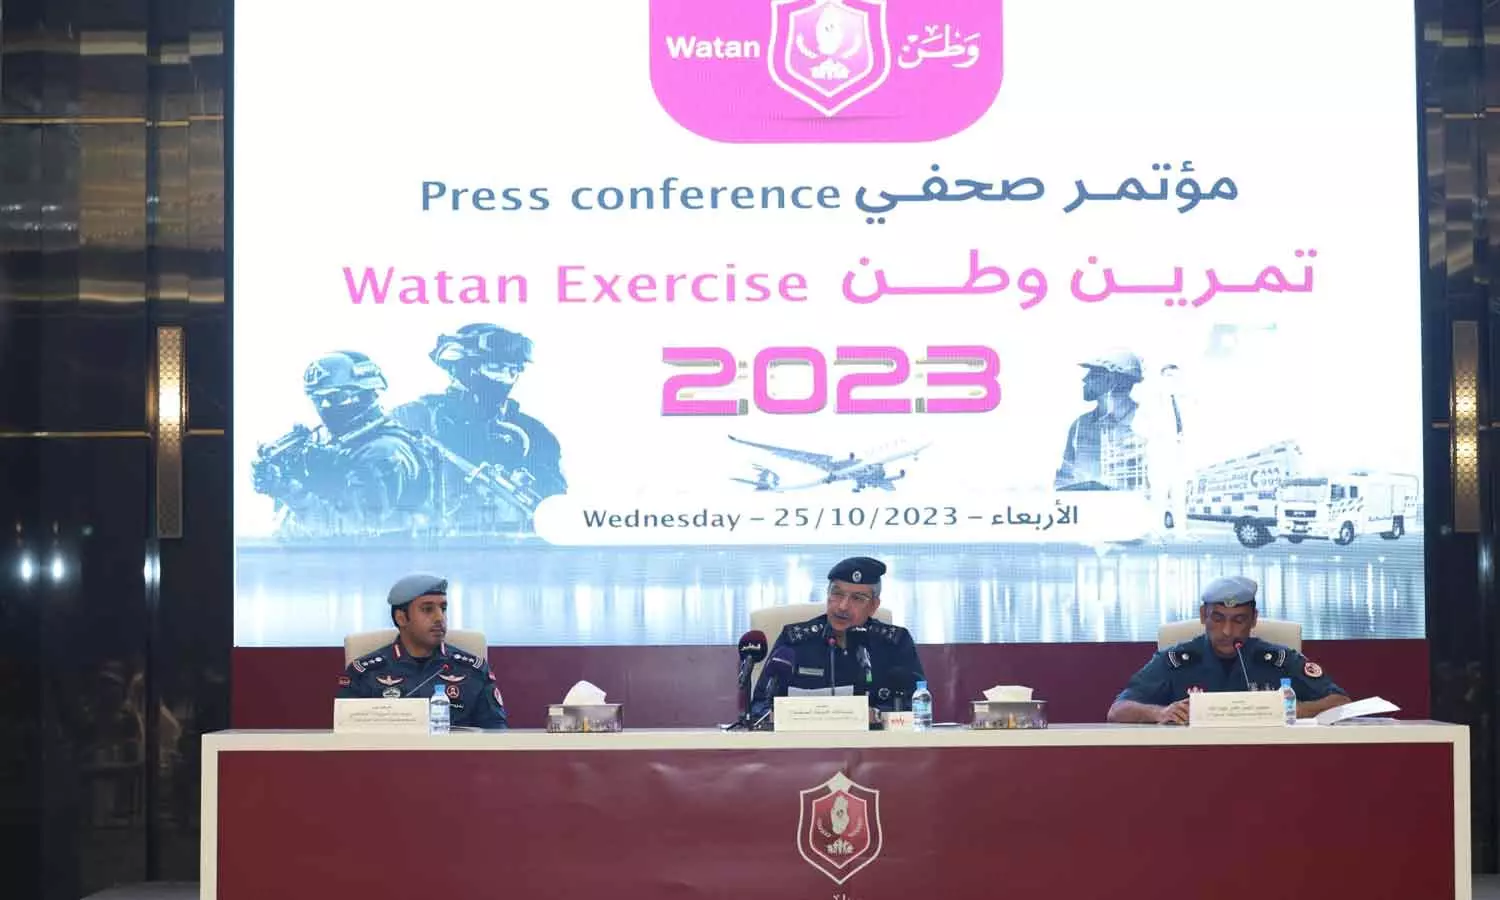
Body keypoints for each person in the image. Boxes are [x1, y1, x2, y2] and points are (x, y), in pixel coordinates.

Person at [1106, 575, 1350, 724]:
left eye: (1238, 620)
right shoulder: (1176, 661)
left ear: (1254, 619)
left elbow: (1341, 701)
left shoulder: (1279, 660)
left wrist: (1298, 710)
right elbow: (1117, 711)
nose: (1227, 631)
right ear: (1203, 616)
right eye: (1218, 618)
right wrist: (1160, 713)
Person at [251, 350, 435, 537]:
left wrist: (290, 490)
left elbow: (353, 532)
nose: (324, 407)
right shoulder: (333, 443)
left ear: (365, 394)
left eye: (335, 398)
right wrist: (286, 478)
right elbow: (289, 529)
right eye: (317, 399)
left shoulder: (385, 452)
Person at [750, 556, 925, 719]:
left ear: (874, 606)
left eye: (857, 598)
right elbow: (759, 706)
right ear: (827, 594)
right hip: (803, 741)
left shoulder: (894, 644)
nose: (842, 606)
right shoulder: (795, 642)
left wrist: (878, 715)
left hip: (872, 741)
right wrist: (776, 716)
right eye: (837, 593)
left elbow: (917, 705)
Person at [337, 573, 509, 729]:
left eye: (443, 608)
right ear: (401, 618)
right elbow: (346, 737)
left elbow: (496, 735)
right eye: (428, 609)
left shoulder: (473, 670)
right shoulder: (364, 674)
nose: (440, 618)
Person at [1055, 349, 1148, 492]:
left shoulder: (1145, 423)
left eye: (1092, 373)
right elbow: (1064, 480)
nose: (1085, 379)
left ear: (1110, 380)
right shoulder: (1080, 426)